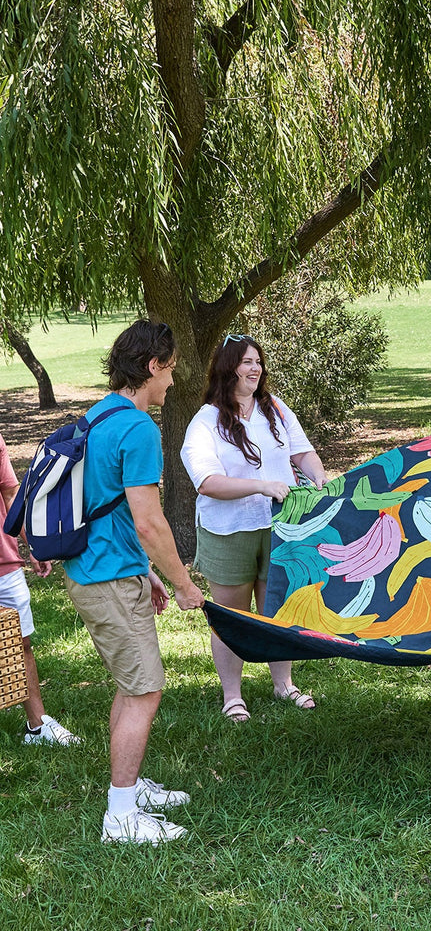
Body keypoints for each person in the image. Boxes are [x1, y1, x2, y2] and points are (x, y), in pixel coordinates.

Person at [62, 320, 205, 843]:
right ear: (152, 366)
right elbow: (149, 520)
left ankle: (131, 786)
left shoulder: (99, 414)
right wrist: (184, 583)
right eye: (169, 369)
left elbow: (107, 507)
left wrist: (146, 571)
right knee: (145, 689)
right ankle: (121, 816)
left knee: (132, 685)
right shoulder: (140, 427)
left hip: (100, 567)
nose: (172, 380)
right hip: (108, 577)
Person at [181, 333, 327, 722]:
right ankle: (233, 695)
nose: (255, 368)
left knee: (276, 608)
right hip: (230, 530)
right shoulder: (205, 422)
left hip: (279, 525)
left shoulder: (275, 409)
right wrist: (262, 485)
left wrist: (318, 477)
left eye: (258, 361)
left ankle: (284, 685)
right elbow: (208, 482)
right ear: (227, 368)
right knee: (233, 614)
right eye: (247, 361)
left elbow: (302, 451)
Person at [0, 429, 81, 746]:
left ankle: (37, 726)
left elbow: (10, 493)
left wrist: (31, 544)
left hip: (4, 564)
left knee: (20, 644)